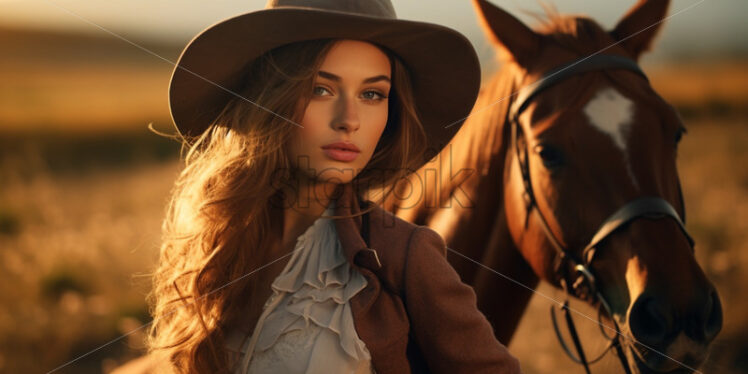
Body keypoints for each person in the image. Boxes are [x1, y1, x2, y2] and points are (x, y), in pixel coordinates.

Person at [145, 0, 522, 373]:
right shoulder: (217, 237)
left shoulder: (404, 256)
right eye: (321, 89)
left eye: (372, 94)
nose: (349, 120)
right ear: (269, 99)